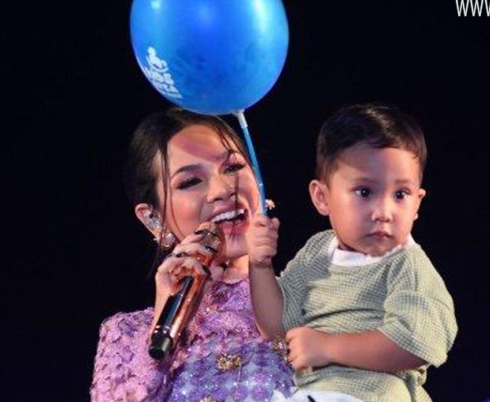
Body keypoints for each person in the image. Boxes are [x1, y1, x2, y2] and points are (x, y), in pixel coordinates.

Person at [247, 104, 458, 402]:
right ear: (322, 197)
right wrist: (259, 265)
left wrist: (328, 347)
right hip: (311, 392)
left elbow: (416, 342)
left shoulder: (405, 262)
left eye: (401, 194)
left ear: (418, 203)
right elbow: (278, 326)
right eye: (364, 192)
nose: (384, 212)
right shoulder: (317, 251)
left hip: (374, 392)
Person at [90, 108, 294, 402]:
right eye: (190, 182)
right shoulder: (126, 336)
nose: (223, 190)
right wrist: (163, 332)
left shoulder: (311, 298)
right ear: (153, 219)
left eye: (233, 167)